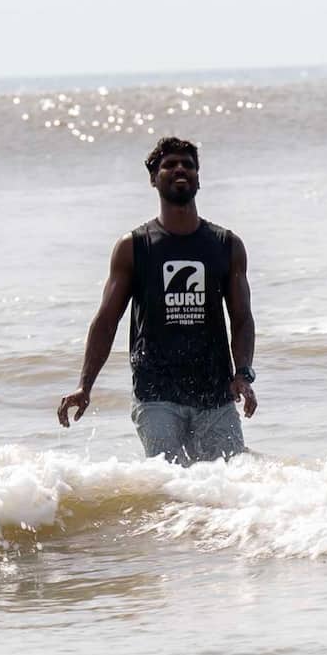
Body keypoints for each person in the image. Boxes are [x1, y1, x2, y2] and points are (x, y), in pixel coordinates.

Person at [56, 136, 258, 464]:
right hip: (156, 395)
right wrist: (85, 386)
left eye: (188, 165)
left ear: (198, 178)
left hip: (215, 394)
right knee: (173, 486)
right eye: (169, 164)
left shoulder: (226, 245)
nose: (180, 169)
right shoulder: (133, 247)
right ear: (153, 179)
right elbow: (107, 321)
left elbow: (242, 317)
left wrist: (243, 374)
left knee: (230, 485)